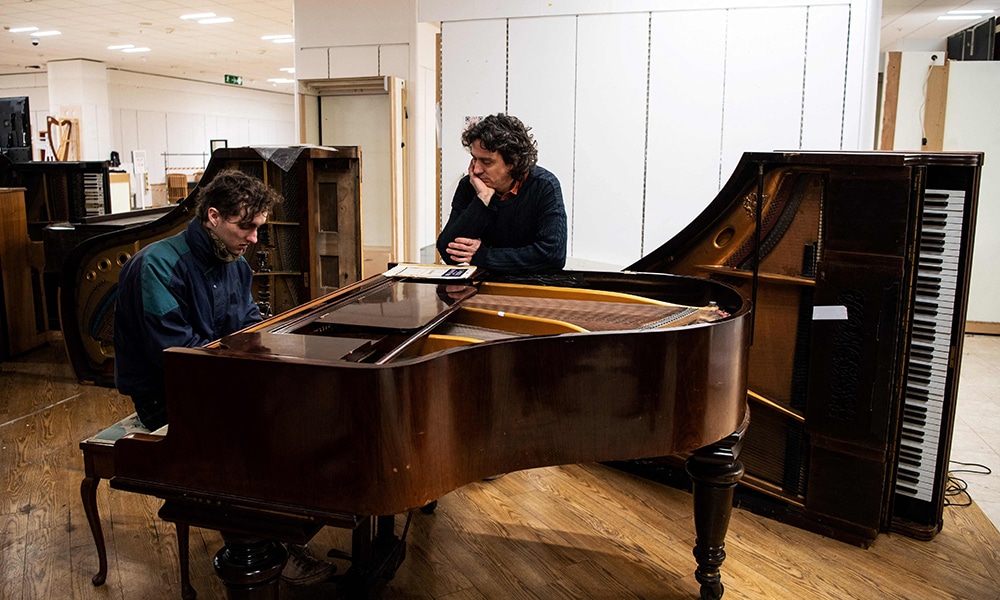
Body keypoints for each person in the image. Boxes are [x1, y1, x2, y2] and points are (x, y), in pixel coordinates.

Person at [112, 169, 335, 586]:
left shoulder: (233, 262)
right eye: (246, 226)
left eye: (258, 227)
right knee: (256, 437)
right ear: (213, 216)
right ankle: (262, 542)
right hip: (169, 394)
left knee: (305, 411)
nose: (254, 239)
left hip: (219, 380)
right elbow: (178, 356)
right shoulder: (156, 266)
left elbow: (246, 326)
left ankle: (288, 523)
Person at [436, 113, 567, 275]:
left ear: (513, 162)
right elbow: (449, 250)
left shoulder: (544, 185)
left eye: (487, 162)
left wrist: (483, 256)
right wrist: (482, 199)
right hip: (481, 286)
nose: (476, 169)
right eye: (474, 159)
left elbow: (553, 255)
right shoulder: (470, 186)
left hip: (530, 287)